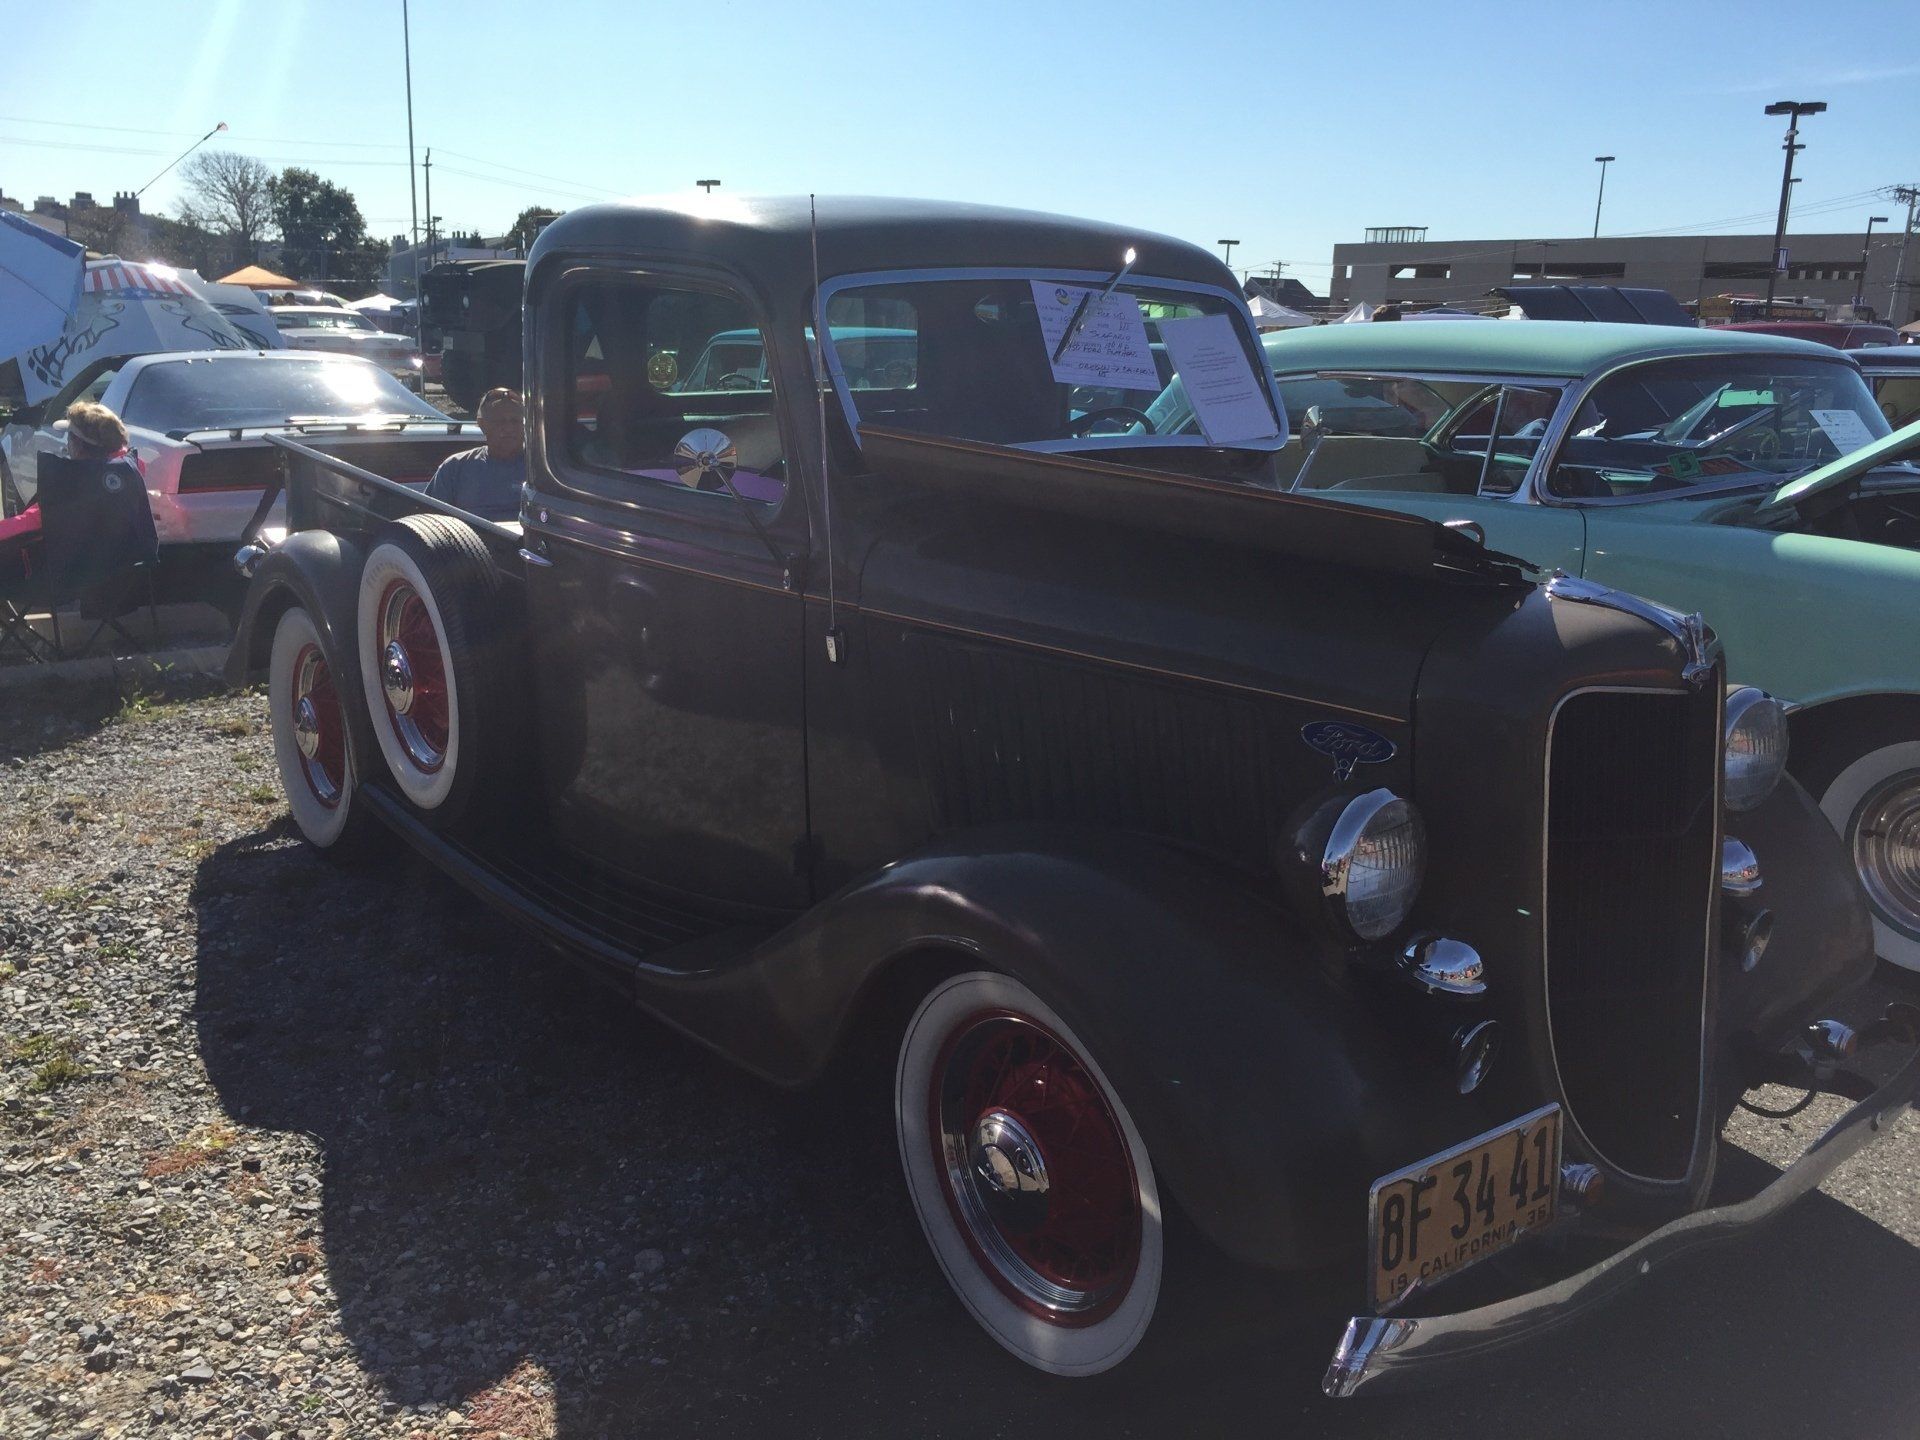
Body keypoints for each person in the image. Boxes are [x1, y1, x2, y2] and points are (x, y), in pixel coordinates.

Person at [427, 387, 526, 521]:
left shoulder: (543, 469)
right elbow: (430, 520)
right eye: (500, 421)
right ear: (482, 424)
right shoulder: (455, 468)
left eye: (515, 421)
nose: (509, 428)